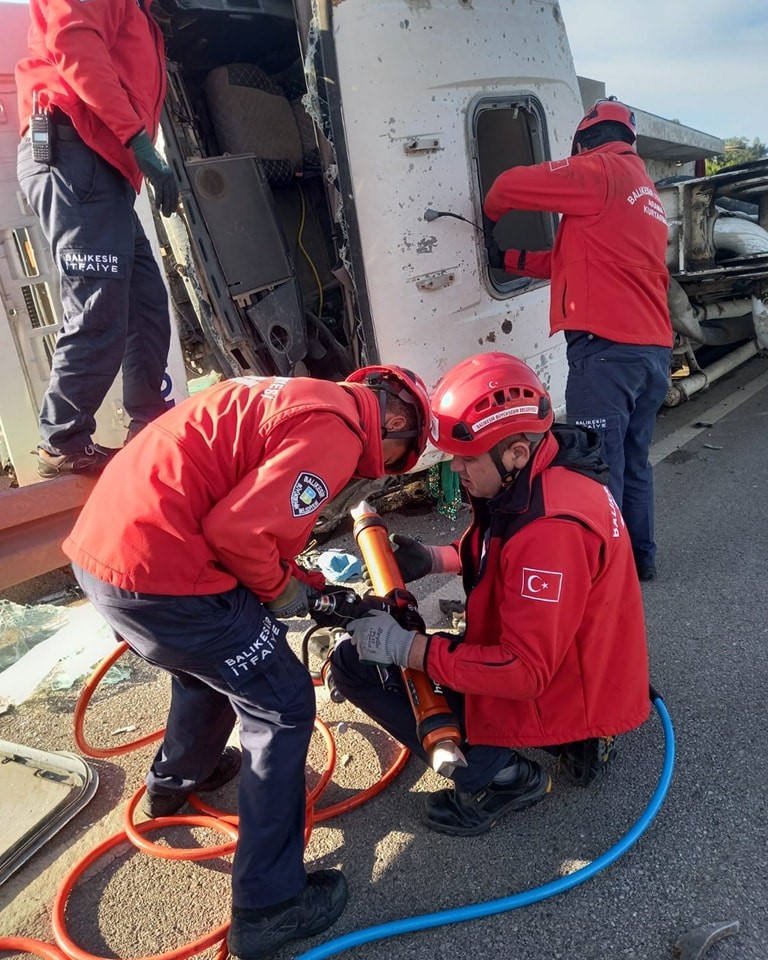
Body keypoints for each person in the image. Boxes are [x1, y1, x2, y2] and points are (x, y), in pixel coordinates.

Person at [62, 366, 431, 959]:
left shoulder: (293, 395)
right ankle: (269, 907)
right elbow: (239, 534)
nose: (377, 472)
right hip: (166, 574)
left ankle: (178, 780)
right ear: (392, 421)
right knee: (281, 704)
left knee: (205, 666)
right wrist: (288, 598)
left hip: (109, 556)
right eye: (394, 458)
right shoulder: (337, 433)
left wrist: (312, 587)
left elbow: (252, 524)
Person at [331, 352, 650, 838]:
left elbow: (522, 671)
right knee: (424, 650)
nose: (456, 470)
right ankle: (581, 739)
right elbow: (508, 555)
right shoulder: (550, 473)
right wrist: (437, 559)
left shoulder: (552, 533)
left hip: (550, 682)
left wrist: (408, 649)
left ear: (516, 451)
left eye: (466, 458)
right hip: (591, 670)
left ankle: (499, 777)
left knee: (356, 666)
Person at [483, 97, 673, 581]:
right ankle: (639, 560)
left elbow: (509, 185)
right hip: (650, 352)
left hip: (608, 352)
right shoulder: (644, 194)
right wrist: (512, 260)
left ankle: (604, 577)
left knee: (596, 465)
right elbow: (576, 262)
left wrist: (489, 215)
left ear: (585, 141)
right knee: (633, 461)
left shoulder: (600, 171)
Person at [16, 0, 180, 479]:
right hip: (75, 149)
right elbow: (73, 42)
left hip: (101, 166)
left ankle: (149, 421)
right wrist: (139, 141)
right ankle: (61, 440)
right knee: (100, 297)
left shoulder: (139, 12)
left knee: (144, 303)